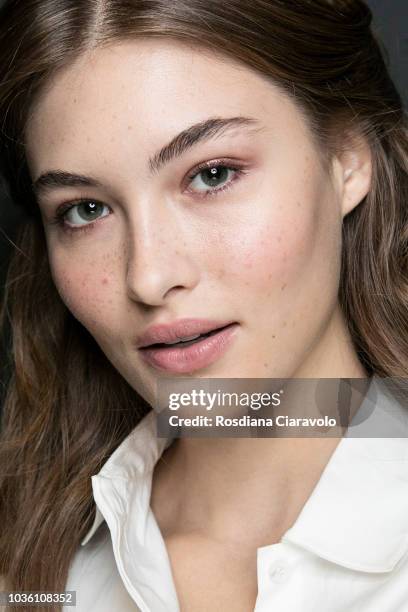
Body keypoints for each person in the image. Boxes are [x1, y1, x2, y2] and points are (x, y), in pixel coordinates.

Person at [0, 1, 407, 610]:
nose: (149, 275)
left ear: (347, 159)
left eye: (212, 174)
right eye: (86, 209)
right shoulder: (30, 575)